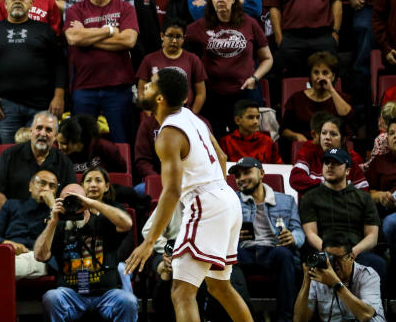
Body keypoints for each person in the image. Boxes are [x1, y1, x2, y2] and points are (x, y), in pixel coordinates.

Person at [125, 68, 253, 322]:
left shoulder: (168, 135)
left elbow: (171, 192)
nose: (144, 88)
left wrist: (149, 242)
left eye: (150, 85)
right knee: (219, 287)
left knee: (182, 292)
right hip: (227, 197)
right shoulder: (192, 117)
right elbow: (223, 157)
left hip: (206, 204)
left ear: (160, 98)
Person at [34, 177, 135, 322]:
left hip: (105, 294)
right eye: (66, 200)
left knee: (128, 300)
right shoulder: (57, 226)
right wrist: (53, 221)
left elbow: (127, 223)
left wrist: (91, 203)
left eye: (76, 199)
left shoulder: (101, 221)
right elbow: (40, 256)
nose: (72, 204)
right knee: (51, 297)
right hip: (71, 295)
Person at [0, 0, 67, 143]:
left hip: (42, 105)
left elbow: (60, 65)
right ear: (5, 3)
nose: (17, 1)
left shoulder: (45, 30)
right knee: (8, 153)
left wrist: (59, 97)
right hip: (4, 108)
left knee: (40, 152)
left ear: (31, 3)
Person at [184, 0, 272, 136]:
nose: (220, 0)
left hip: (244, 93)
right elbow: (183, 55)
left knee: (244, 142)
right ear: (211, 0)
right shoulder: (199, 26)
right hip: (212, 96)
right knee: (215, 141)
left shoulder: (249, 23)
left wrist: (255, 78)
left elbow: (267, 58)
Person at [65, 0, 139, 143]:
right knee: (82, 142)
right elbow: (73, 39)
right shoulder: (76, 10)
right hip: (84, 88)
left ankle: (124, 172)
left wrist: (87, 38)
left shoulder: (125, 8)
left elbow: (128, 41)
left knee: (121, 140)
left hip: (118, 88)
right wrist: (109, 31)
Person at [230, 157, 304, 322]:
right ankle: (248, 317)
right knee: (227, 258)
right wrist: (232, 235)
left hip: (273, 251)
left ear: (262, 173)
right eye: (237, 175)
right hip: (243, 251)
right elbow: (219, 235)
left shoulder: (286, 201)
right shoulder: (230, 201)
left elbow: (298, 230)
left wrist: (293, 237)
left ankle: (285, 318)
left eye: (247, 172)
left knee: (285, 254)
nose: (241, 178)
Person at [298, 147, 386, 280]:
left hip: (355, 252)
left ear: (348, 170)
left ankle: (372, 302)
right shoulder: (310, 197)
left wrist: (352, 253)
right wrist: (331, 253)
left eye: (336, 163)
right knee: (307, 262)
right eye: (326, 162)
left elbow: (372, 236)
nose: (330, 166)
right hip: (323, 252)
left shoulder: (363, 198)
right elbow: (311, 234)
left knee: (378, 264)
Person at [0, 112, 77, 212]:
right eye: (39, 128)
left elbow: (71, 197)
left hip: (51, 221)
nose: (43, 134)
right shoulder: (9, 155)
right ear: (31, 131)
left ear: (55, 136)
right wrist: (13, 219)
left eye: (48, 130)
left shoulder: (65, 163)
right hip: (14, 221)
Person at [293, 235, 385, 322]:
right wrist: (307, 279)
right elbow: (299, 320)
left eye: (338, 258)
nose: (334, 263)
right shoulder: (319, 276)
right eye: (329, 258)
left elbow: (366, 315)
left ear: (352, 257)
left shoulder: (367, 275)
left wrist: (336, 284)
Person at [0, 169, 57, 279]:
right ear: (30, 186)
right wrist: (6, 243)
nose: (46, 189)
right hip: (9, 253)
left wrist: (53, 207)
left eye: (52, 186)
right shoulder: (11, 205)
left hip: (38, 257)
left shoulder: (57, 214)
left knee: (8, 267)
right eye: (42, 183)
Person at [136, 18, 206, 113]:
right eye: (170, 36)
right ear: (162, 36)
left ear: (184, 38)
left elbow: (201, 93)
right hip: (155, 114)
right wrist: (148, 113)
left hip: (184, 114)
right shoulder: (149, 59)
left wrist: (192, 114)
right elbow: (141, 90)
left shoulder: (193, 60)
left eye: (178, 37)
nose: (174, 41)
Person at [290, 114, 367, 193]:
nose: (327, 137)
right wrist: (327, 186)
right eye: (324, 133)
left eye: (333, 134)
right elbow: (296, 179)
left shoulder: (352, 161)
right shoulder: (310, 154)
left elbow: (363, 194)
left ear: (343, 139)